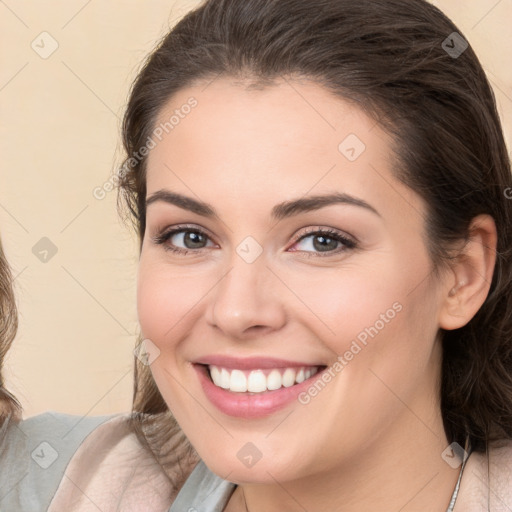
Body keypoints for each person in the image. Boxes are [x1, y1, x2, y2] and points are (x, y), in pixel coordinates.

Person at [2, 0, 512, 510]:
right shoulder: (48, 484)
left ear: (463, 276)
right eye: (190, 237)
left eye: (322, 240)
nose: (237, 310)